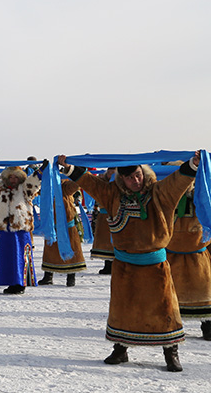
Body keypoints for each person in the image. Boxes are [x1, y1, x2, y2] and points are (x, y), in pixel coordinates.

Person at [57, 154, 199, 372]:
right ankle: (120, 349)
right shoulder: (111, 194)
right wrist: (69, 168)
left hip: (155, 265)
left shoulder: (159, 193)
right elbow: (89, 182)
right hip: (124, 265)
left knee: (164, 308)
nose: (136, 180)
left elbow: (178, 180)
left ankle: (171, 352)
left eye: (138, 175)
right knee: (123, 308)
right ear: (121, 179)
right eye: (130, 177)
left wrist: (193, 165)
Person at [0, 164, 42, 294]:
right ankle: (11, 282)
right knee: (7, 257)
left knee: (21, 256)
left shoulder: (25, 188)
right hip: (5, 229)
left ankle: (20, 283)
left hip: (21, 229)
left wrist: (42, 169)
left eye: (15, 177)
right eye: (10, 177)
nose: (13, 179)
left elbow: (35, 180)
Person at [166, 182, 211, 341]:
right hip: (171, 255)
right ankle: (169, 326)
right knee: (169, 295)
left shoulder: (204, 196)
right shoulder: (167, 197)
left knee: (203, 293)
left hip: (198, 256)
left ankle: (208, 326)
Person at [37, 179, 87, 287]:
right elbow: (36, 190)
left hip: (67, 227)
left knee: (71, 250)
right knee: (50, 252)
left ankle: (71, 277)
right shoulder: (47, 186)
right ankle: (48, 276)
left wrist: (76, 172)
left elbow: (75, 185)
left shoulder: (65, 185)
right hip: (52, 226)